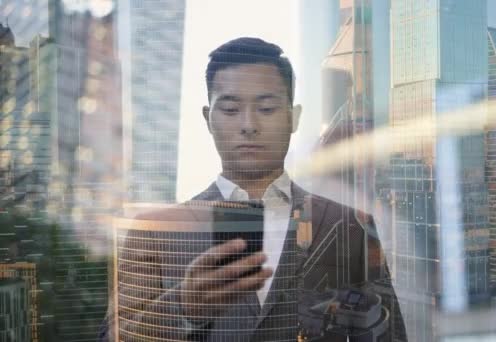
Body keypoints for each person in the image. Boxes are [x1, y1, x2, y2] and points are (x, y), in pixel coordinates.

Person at [100, 37, 406, 341]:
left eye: (267, 108)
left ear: (293, 117)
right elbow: (110, 337)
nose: (248, 125)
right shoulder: (155, 232)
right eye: (231, 110)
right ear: (209, 119)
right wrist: (183, 308)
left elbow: (389, 334)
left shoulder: (349, 224)